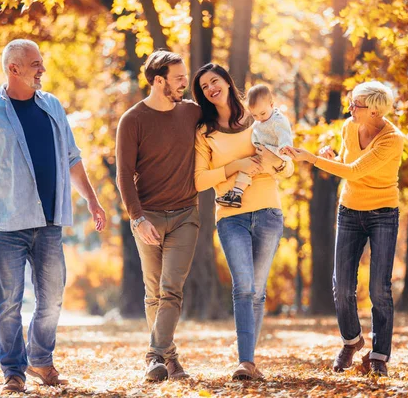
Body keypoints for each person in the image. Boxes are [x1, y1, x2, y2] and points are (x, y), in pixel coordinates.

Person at [0, 39, 106, 394]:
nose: (42, 69)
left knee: (52, 298)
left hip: (49, 222)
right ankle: (13, 370)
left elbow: (72, 157)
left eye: (41, 62)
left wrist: (93, 200)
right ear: (14, 69)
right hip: (8, 224)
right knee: (8, 303)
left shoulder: (52, 106)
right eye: (36, 64)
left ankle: (40, 358)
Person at [281, 81, 403, 377]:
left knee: (379, 288)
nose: (350, 109)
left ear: (374, 111)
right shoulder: (350, 126)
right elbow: (348, 165)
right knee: (342, 285)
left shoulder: (392, 139)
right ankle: (352, 341)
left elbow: (355, 171)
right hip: (349, 210)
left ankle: (379, 356)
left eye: (356, 105)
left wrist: (313, 158)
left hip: (383, 213)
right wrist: (333, 158)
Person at [193, 63, 294, 380]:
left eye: (215, 80)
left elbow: (287, 167)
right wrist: (236, 165)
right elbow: (198, 180)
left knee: (258, 290)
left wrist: (274, 161)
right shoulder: (204, 132)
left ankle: (248, 360)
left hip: (267, 211)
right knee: (244, 287)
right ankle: (246, 362)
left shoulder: (259, 117)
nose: (211, 88)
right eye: (204, 86)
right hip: (230, 215)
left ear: (227, 80)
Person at [116, 50, 202, 382]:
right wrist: (137, 218)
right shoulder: (133, 120)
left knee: (171, 289)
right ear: (159, 80)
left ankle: (153, 354)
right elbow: (124, 176)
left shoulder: (192, 113)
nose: (185, 83)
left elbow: (230, 121)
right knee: (153, 292)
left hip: (184, 216)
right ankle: (171, 360)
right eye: (179, 78)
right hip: (148, 218)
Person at [216, 84, 293, 208]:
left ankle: (236, 194)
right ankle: (237, 195)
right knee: (247, 170)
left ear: (272, 105)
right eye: (255, 115)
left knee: (247, 168)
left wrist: (285, 147)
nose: (259, 118)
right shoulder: (260, 120)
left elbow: (284, 134)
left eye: (262, 113)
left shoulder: (278, 120)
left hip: (275, 153)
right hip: (263, 154)